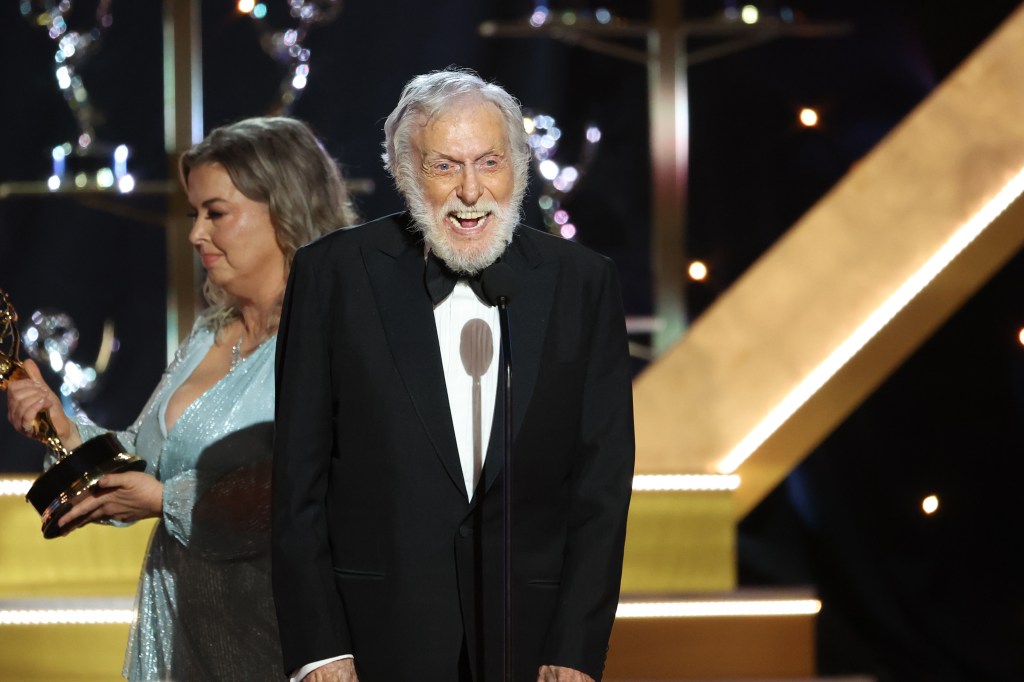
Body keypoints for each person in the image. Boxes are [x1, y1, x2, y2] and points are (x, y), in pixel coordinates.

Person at [272, 67, 635, 682]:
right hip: (375, 640)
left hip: (532, 642)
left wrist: (575, 647)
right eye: (445, 167)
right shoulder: (333, 275)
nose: (471, 191)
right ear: (405, 172)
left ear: (517, 166)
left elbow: (601, 489)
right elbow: (297, 486)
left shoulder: (582, 283)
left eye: (489, 163)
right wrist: (319, 648)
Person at [5, 116, 359, 680]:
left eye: (215, 213)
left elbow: (316, 488)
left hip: (278, 639)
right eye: (195, 214)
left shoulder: (336, 335)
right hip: (177, 634)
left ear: (287, 210)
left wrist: (166, 501)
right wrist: (66, 430)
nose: (196, 234)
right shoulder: (209, 332)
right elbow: (147, 456)